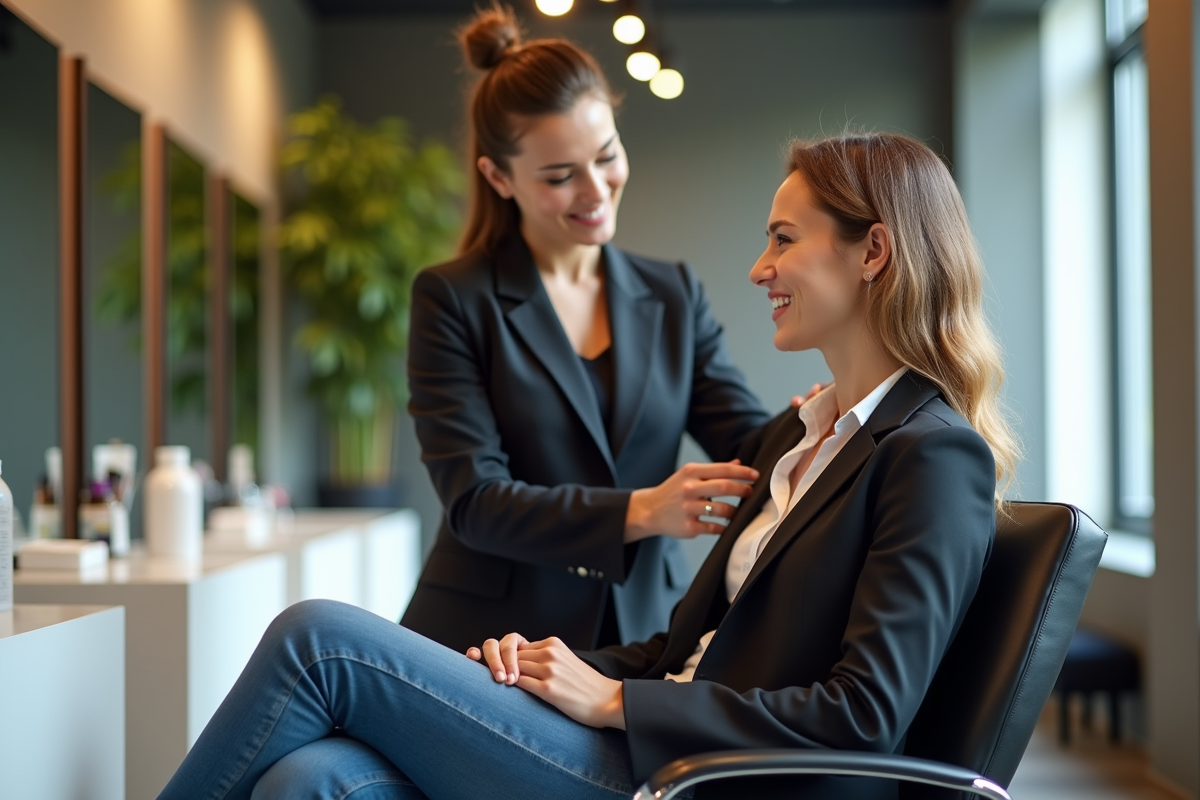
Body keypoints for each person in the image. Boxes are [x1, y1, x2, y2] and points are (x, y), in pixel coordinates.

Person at [157, 131, 1018, 800]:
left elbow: (862, 718)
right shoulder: (798, 441)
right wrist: (558, 664)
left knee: (319, 642)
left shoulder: (934, 457)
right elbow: (694, 653)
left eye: (784, 240)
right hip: (644, 741)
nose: (759, 269)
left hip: (698, 777)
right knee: (310, 780)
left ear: (873, 254)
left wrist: (612, 704)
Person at [400, 6, 776, 654]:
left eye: (606, 157)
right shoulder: (454, 299)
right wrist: (642, 511)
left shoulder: (673, 293)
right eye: (559, 176)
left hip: (645, 637)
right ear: (498, 177)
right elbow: (475, 501)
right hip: (487, 647)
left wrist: (820, 417)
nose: (596, 190)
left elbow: (746, 439)